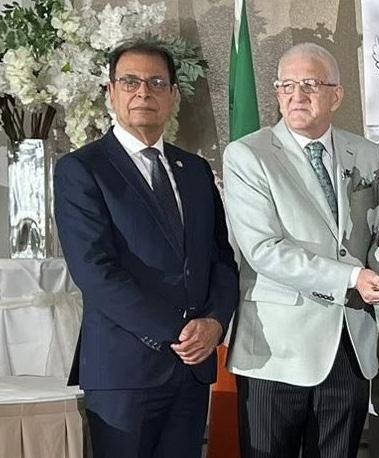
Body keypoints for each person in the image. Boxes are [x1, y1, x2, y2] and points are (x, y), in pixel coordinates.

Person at [222, 43, 379, 458]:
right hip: (277, 350)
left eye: (310, 84)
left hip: (350, 343)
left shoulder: (368, 153)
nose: (296, 95)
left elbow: (376, 239)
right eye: (286, 85)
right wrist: (354, 277)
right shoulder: (248, 155)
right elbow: (263, 250)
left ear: (336, 95)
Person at [54, 39, 239, 458]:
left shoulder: (194, 170)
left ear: (173, 95)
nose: (143, 92)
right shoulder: (82, 169)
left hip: (192, 370)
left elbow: (220, 259)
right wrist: (179, 332)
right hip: (124, 371)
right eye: (130, 82)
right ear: (111, 91)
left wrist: (214, 323)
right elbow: (95, 271)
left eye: (156, 82)